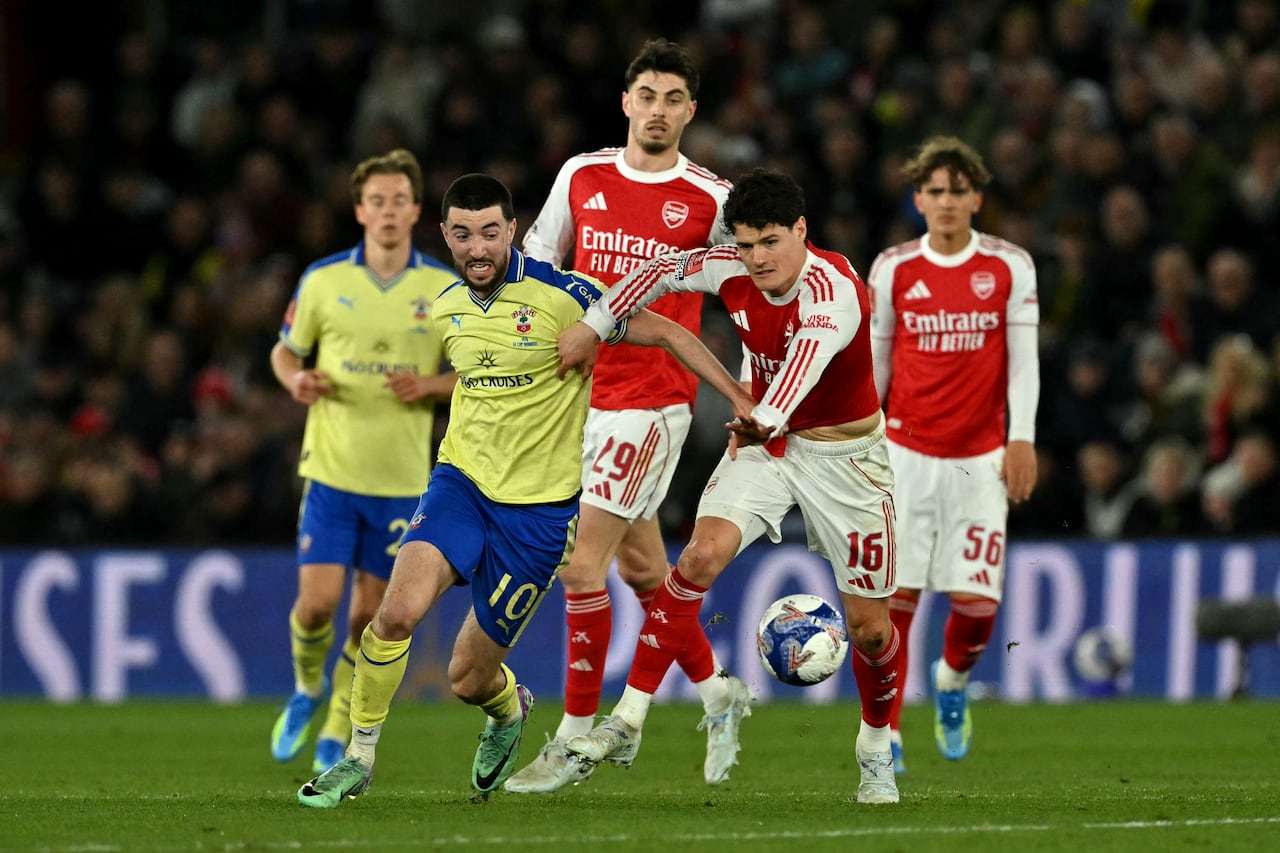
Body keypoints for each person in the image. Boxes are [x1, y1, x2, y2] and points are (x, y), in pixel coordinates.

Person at [297, 173, 757, 807]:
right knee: (397, 612)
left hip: (537, 518)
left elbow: (672, 334)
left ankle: (509, 711)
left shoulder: (568, 296)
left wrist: (738, 395)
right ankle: (358, 756)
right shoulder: (444, 303)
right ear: (446, 237)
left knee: (466, 678)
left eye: (490, 232)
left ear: (513, 231)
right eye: (462, 235)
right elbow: (446, 373)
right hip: (459, 487)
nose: (477, 248)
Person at [557, 168, 904, 805]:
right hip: (767, 447)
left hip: (846, 458)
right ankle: (628, 720)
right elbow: (659, 270)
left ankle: (875, 749)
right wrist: (598, 319)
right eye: (745, 244)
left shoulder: (834, 293)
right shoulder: (730, 266)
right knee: (696, 557)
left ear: (802, 231)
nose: (756, 258)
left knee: (871, 631)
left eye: (770, 241)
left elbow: (799, 372)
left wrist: (762, 416)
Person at [506, 37, 748, 794]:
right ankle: (719, 693)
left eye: (674, 99)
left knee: (581, 566)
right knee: (643, 565)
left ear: (691, 111)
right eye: (647, 95)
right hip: (577, 395)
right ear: (625, 102)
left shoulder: (712, 198)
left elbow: (745, 292)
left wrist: (752, 389)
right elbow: (538, 261)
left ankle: (576, 740)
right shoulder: (583, 174)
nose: (659, 110)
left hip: (651, 401)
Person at [269, 148, 458, 775]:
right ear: (359, 210)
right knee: (316, 605)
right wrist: (296, 381)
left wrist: (429, 387)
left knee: (365, 619)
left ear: (414, 211)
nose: (387, 211)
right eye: (375, 200)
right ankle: (305, 688)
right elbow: (284, 352)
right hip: (331, 471)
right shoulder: (324, 280)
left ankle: (337, 722)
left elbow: (478, 373)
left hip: (402, 483)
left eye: (399, 200)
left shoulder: (441, 288)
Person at [866, 135, 1039, 772]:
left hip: (980, 460)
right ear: (918, 199)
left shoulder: (1009, 266)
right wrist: (865, 444)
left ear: (976, 198)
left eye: (956, 190)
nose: (945, 201)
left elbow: (1024, 364)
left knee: (977, 609)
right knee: (897, 599)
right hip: (905, 452)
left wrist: (1021, 437)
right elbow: (876, 366)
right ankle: (885, 731)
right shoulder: (893, 268)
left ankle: (952, 681)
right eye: (934, 190)